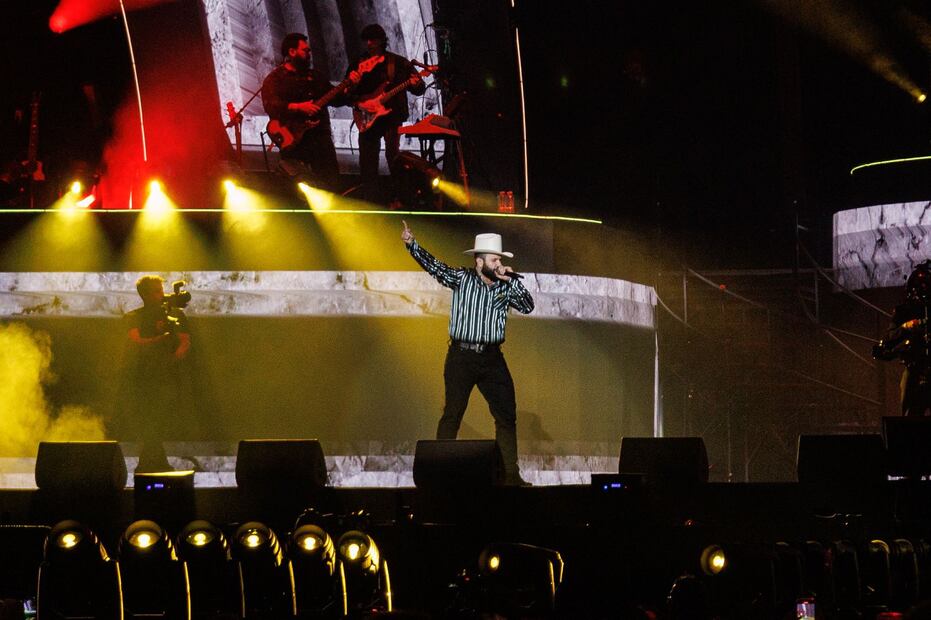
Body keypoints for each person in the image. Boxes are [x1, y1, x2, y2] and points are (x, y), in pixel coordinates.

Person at [401, 220, 534, 485]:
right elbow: (435, 267)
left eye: (499, 259)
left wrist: (513, 280)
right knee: (453, 412)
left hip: (492, 357)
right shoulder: (462, 278)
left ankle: (510, 475)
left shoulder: (506, 285)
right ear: (479, 261)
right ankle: (437, 473)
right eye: (494, 259)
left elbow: (528, 306)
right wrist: (412, 245)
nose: (498, 264)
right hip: (462, 356)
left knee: (506, 415)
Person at [262, 33, 360, 191]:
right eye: (305, 50)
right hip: (293, 141)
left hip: (320, 139)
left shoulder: (315, 77)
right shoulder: (275, 79)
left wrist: (351, 86)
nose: (309, 54)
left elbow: (337, 99)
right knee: (297, 185)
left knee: (330, 182)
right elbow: (270, 105)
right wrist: (298, 107)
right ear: (292, 52)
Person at [348, 24, 426, 205]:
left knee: (395, 160)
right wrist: (360, 102)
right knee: (368, 164)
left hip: (391, 118)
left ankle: (400, 200)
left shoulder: (398, 63)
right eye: (367, 40)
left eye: (373, 40)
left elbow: (419, 88)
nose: (369, 44)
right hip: (367, 118)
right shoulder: (358, 64)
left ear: (382, 40)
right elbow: (347, 93)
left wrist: (416, 84)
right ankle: (370, 202)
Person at [124, 275, 192, 472]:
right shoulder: (134, 317)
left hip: (168, 377)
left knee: (160, 421)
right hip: (143, 378)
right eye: (156, 291)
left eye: (161, 290)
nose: (162, 295)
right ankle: (153, 465)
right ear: (144, 294)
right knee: (148, 420)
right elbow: (135, 342)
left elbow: (185, 341)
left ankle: (151, 464)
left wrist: (173, 359)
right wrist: (160, 341)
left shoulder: (176, 315)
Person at [874, 260, 931, 416]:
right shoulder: (905, 311)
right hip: (915, 368)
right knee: (909, 415)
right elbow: (888, 338)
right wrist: (908, 326)